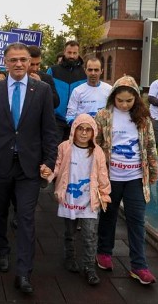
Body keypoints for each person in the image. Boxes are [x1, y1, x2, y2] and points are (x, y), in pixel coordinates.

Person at [0, 42, 58, 294]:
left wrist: (49, 162)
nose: (19, 64)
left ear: (30, 62)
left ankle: (24, 272)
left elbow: (50, 131)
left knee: (27, 219)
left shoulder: (42, 91)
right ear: (5, 63)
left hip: (29, 167)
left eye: (23, 60)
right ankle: (2, 250)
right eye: (14, 59)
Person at [94, 75, 158, 285]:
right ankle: (104, 252)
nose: (123, 104)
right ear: (113, 97)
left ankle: (139, 266)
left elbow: (150, 145)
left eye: (128, 101)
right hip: (111, 177)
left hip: (135, 178)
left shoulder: (143, 117)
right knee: (108, 216)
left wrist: (153, 170)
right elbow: (96, 144)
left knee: (136, 220)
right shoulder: (104, 116)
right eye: (119, 100)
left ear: (136, 99)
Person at [52, 114, 111, 285]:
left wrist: (105, 194)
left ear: (94, 132)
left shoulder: (97, 152)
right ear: (74, 129)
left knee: (89, 235)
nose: (84, 133)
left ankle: (89, 268)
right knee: (70, 233)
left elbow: (102, 175)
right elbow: (57, 166)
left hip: (89, 201)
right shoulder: (65, 147)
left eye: (88, 130)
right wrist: (47, 176)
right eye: (80, 129)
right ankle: (70, 258)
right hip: (69, 198)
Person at [48, 40, 87, 141]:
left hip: (76, 120)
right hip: (56, 120)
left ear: (79, 54)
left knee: (71, 153)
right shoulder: (53, 70)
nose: (72, 56)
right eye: (69, 52)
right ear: (64, 52)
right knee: (54, 151)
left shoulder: (84, 73)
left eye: (75, 53)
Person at [66, 57, 112, 124]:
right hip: (83, 132)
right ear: (85, 70)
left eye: (96, 70)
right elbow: (69, 117)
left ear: (101, 71)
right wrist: (79, 126)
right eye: (90, 70)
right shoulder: (77, 91)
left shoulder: (109, 90)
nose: (93, 73)